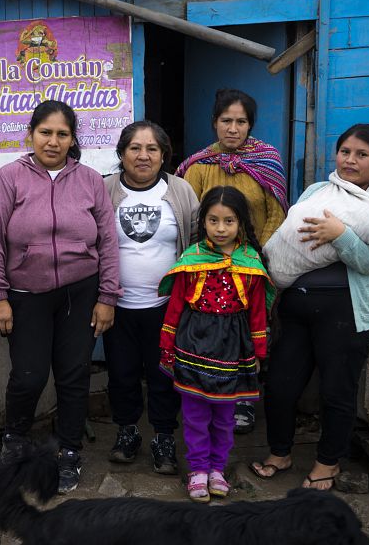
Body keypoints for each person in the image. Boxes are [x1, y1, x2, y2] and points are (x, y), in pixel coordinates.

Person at [251, 124, 369, 491]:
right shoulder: (318, 191)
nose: (350, 160)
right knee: (280, 384)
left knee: (337, 390)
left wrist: (341, 236)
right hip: (296, 306)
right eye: (345, 152)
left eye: (362, 154)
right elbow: (292, 240)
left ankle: (327, 463)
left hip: (348, 312)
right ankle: (279, 452)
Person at [0, 100, 121, 495]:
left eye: (62, 134)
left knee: (74, 375)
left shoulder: (90, 180)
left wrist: (107, 295)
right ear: (30, 134)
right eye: (45, 133)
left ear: (73, 139)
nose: (53, 141)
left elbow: (108, 240)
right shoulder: (9, 178)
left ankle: (69, 450)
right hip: (26, 294)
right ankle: (15, 443)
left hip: (81, 290)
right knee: (29, 376)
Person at [176, 88, 288, 435]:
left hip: (252, 265)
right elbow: (188, 217)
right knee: (208, 333)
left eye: (241, 122)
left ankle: (242, 402)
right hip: (206, 267)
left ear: (250, 125)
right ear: (214, 123)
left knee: (247, 334)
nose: (233, 128)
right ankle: (203, 396)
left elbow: (276, 214)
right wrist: (206, 260)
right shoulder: (197, 167)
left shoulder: (267, 161)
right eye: (226, 121)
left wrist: (253, 258)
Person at [158, 186, 275, 503]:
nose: (220, 229)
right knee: (195, 414)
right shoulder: (193, 259)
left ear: (241, 224)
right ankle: (197, 470)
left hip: (233, 349)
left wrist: (259, 352)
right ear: (203, 222)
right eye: (213, 220)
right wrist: (166, 346)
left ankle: (217, 470)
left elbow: (258, 313)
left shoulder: (250, 262)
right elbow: (176, 306)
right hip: (193, 343)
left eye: (228, 221)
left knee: (225, 417)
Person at [101, 120, 199, 474]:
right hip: (117, 307)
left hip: (167, 307)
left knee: (164, 375)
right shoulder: (105, 189)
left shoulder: (181, 191)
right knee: (121, 374)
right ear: (122, 154)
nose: (143, 156)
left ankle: (163, 436)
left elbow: (195, 242)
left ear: (163, 156)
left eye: (152, 149)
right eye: (135, 148)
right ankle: (127, 432)